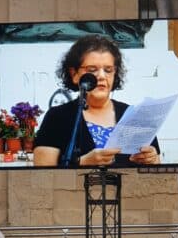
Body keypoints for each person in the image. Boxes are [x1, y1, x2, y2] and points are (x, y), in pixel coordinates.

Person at [33, 34, 161, 167]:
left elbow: (157, 168)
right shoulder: (57, 117)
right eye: (92, 70)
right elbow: (43, 173)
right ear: (74, 74)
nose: (101, 76)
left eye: (108, 70)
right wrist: (82, 163)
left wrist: (152, 159)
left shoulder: (135, 116)